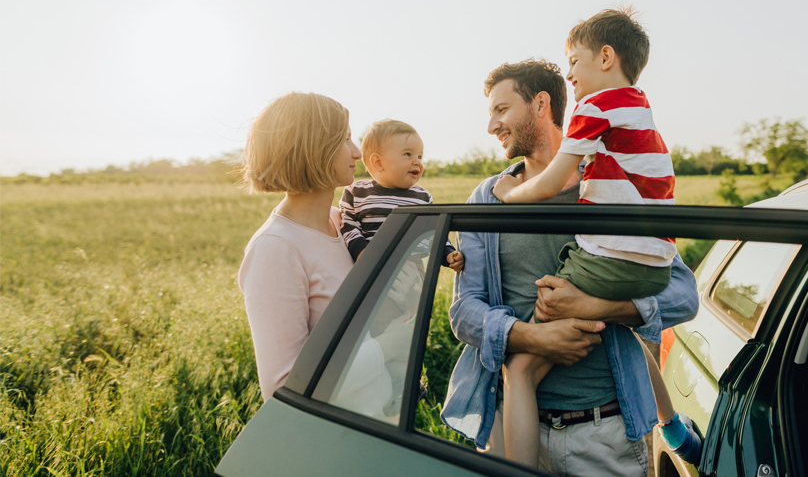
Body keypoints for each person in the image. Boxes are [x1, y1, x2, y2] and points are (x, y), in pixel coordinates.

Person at [441, 57, 699, 477]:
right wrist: (534, 337)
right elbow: (465, 311)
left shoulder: (614, 185)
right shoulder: (488, 199)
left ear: (541, 104)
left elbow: (683, 295)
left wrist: (598, 307)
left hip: (605, 434)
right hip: (509, 427)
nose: (491, 126)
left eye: (501, 110)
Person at [237, 92, 410, 405]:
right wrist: (388, 347)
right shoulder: (276, 249)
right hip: (335, 441)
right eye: (344, 140)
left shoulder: (342, 222)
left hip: (376, 425)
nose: (357, 152)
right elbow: (283, 387)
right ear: (312, 148)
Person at [339, 118, 464, 271]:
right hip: (371, 268)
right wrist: (361, 252)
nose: (417, 162)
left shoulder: (422, 197)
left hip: (411, 270)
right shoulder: (357, 192)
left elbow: (434, 232)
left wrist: (448, 254)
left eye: (419, 156)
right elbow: (348, 225)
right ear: (378, 162)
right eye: (407, 154)